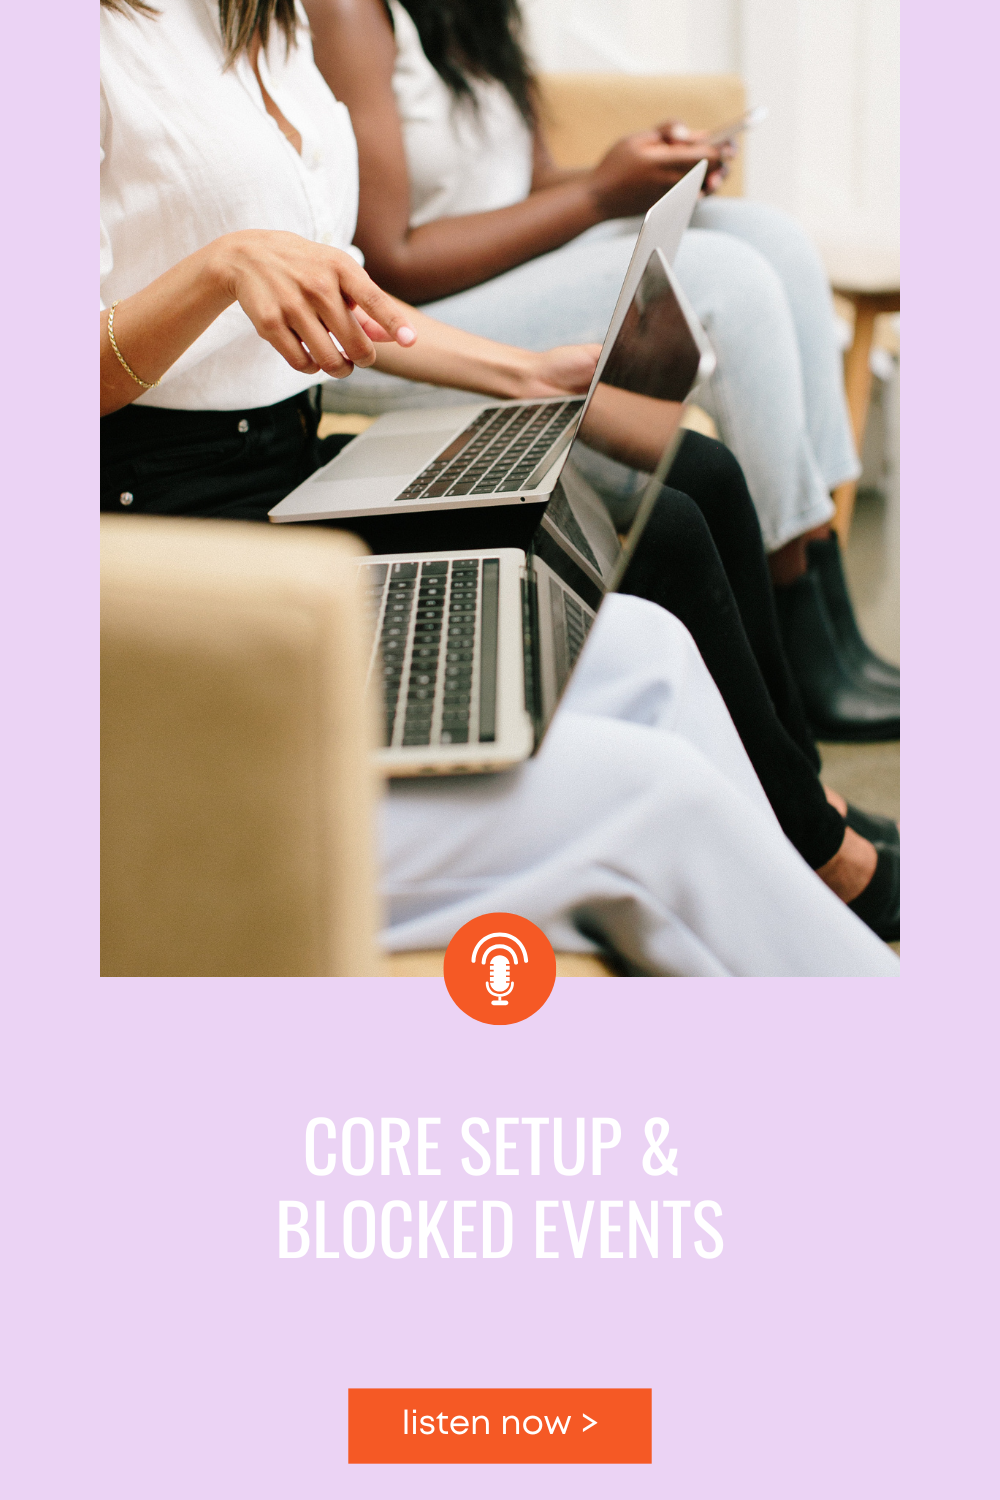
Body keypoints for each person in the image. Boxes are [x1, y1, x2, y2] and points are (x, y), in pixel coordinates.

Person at [100, 0, 898, 973]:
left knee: (642, 639)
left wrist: (522, 374)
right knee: (650, 769)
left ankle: (810, 845)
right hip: (166, 534)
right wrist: (217, 269)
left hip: (289, 466)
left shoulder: (253, 17)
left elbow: (336, 278)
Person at [304, 0, 900, 740]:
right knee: (728, 282)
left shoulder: (476, 12)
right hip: (397, 318)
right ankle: (791, 630)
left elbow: (531, 184)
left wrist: (634, 175)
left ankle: (823, 599)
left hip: (502, 275)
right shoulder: (350, 13)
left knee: (776, 241)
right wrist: (597, 196)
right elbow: (389, 258)